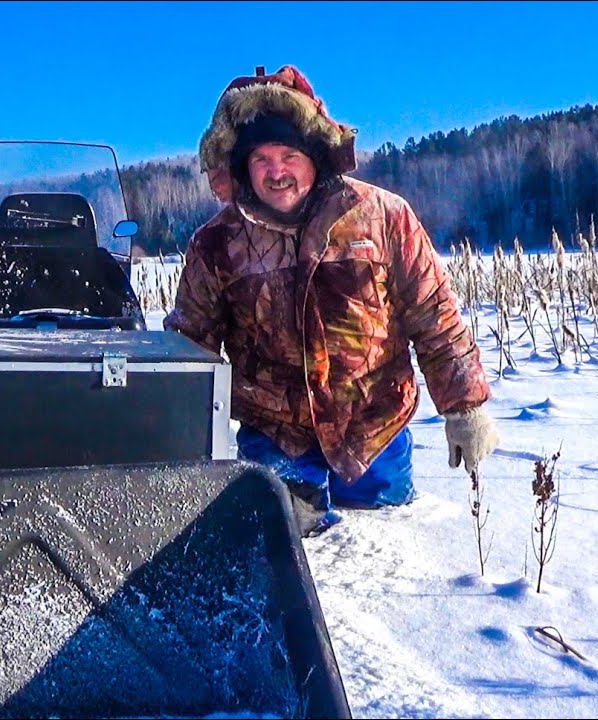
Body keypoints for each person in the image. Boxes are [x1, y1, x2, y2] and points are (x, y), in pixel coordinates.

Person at [166, 65, 499, 536]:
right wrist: (172, 433)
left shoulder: (385, 217)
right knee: (288, 559)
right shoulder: (216, 244)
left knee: (389, 547)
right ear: (242, 167)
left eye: (287, 154)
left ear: (314, 154)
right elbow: (189, 345)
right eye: (261, 159)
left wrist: (464, 407)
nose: (276, 171)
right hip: (276, 439)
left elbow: (434, 315)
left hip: (375, 432)